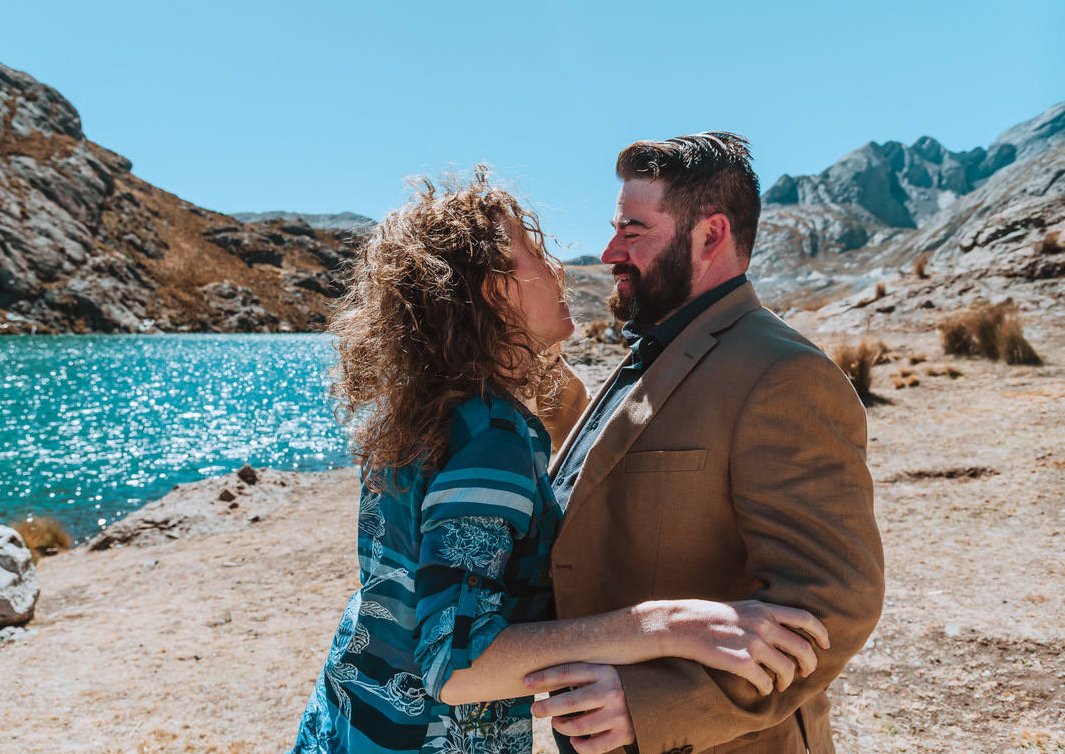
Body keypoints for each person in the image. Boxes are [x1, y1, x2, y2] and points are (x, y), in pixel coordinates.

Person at [290, 168, 832, 754]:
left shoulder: (431, 409)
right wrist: (667, 625)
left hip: (349, 716)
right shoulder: (493, 439)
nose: (564, 268)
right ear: (494, 292)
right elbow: (456, 665)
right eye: (538, 252)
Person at [525, 134, 886, 754]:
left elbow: (834, 601)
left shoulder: (782, 375)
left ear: (711, 236)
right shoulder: (657, 345)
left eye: (633, 231)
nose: (610, 251)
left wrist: (653, 702)